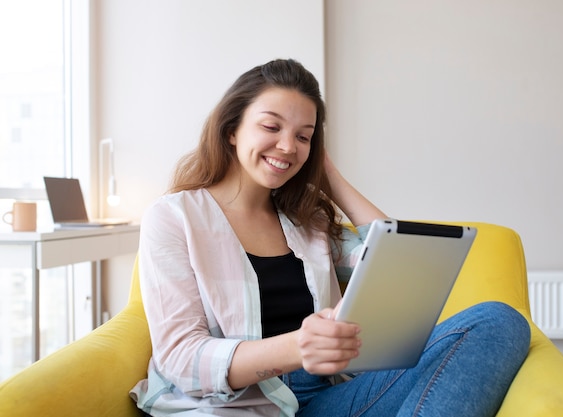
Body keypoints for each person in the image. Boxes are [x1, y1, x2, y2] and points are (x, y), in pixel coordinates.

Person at [130, 58, 530, 417]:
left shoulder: (307, 223)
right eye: (271, 126)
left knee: (499, 321)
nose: (287, 146)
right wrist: (298, 347)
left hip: (328, 398)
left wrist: (329, 176)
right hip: (237, 406)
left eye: (304, 137)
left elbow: (402, 263)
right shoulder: (173, 218)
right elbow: (181, 359)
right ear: (232, 130)